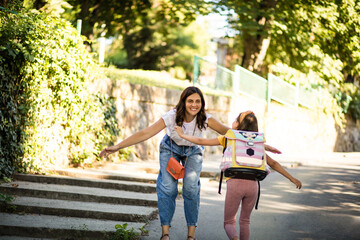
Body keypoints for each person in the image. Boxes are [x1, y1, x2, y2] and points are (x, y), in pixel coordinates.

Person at [100, 87, 280, 240]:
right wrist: (117, 146)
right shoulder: (171, 117)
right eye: (190, 101)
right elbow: (146, 133)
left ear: (202, 104)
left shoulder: (205, 119)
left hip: (193, 151)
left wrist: (260, 145)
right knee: (167, 188)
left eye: (198, 101)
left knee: (191, 188)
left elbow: (235, 135)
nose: (194, 105)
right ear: (183, 102)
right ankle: (165, 233)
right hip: (170, 149)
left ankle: (191, 235)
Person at [175, 110, 302, 240]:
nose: (233, 122)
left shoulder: (228, 137)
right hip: (253, 186)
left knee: (229, 223)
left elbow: (201, 140)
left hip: (235, 184)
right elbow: (274, 163)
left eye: (236, 120)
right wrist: (292, 178)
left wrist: (182, 135)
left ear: (237, 125)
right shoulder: (258, 143)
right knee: (245, 221)